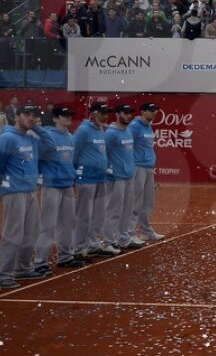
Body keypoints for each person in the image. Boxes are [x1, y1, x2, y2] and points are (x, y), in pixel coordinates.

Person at [0, 104, 41, 288]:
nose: (31, 118)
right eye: (27, 114)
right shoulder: (7, 138)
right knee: (13, 234)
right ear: (17, 117)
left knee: (31, 232)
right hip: (14, 191)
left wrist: (37, 128)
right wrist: (2, 190)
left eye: (34, 115)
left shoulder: (32, 137)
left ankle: (23, 268)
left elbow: (48, 144)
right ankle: (2, 275)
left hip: (30, 190)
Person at [35, 106, 80, 273]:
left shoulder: (70, 137)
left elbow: (72, 161)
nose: (68, 118)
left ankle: (65, 256)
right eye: (64, 115)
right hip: (51, 185)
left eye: (69, 115)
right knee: (48, 225)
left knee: (68, 223)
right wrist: (40, 178)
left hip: (67, 184)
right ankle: (40, 262)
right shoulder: (47, 137)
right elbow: (37, 158)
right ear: (55, 119)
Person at [73, 102, 115, 258]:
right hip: (87, 178)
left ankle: (93, 244)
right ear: (92, 114)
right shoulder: (83, 131)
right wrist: (76, 173)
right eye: (102, 113)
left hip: (100, 178)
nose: (105, 116)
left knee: (98, 214)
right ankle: (79, 248)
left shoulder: (100, 130)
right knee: (84, 214)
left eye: (106, 113)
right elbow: (74, 153)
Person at [104, 105, 142, 251]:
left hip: (128, 177)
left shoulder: (127, 131)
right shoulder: (110, 133)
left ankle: (123, 238)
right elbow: (104, 155)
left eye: (130, 113)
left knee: (127, 209)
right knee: (114, 210)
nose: (129, 116)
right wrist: (110, 171)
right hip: (116, 178)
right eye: (125, 113)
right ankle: (108, 241)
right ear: (117, 114)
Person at [129, 102, 164, 241]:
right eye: (151, 110)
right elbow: (125, 146)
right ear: (143, 112)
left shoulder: (148, 126)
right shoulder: (134, 127)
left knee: (148, 202)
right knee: (136, 202)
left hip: (148, 168)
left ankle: (146, 231)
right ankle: (129, 234)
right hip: (137, 168)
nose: (155, 112)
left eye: (156, 110)